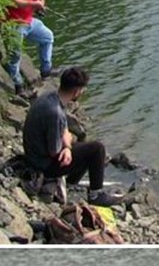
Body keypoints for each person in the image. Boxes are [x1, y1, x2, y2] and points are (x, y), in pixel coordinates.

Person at [22, 67, 123, 208]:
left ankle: (71, 182)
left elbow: (63, 127)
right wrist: (67, 146)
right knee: (97, 149)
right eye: (82, 90)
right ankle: (96, 195)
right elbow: (54, 152)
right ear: (76, 91)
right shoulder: (54, 113)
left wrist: (67, 144)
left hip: (35, 153)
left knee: (82, 146)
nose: (83, 92)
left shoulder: (51, 97)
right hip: (42, 164)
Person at [1, 0, 57, 95]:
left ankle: (46, 70)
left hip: (29, 20)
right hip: (14, 22)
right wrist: (34, 4)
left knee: (47, 37)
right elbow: (13, 1)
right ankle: (17, 84)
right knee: (15, 55)